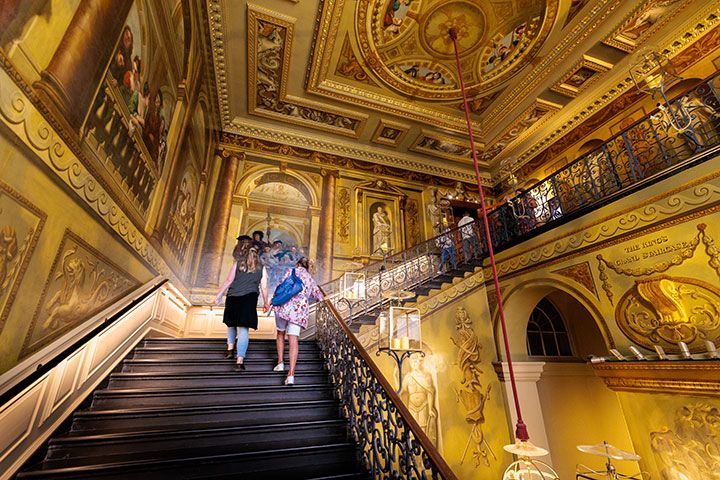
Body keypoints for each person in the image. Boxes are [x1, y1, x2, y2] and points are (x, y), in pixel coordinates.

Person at [215, 235, 270, 371]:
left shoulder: (238, 263)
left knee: (231, 323)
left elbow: (228, 281)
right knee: (243, 328)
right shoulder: (262, 267)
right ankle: (239, 361)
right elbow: (264, 286)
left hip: (233, 296)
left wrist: (219, 295)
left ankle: (229, 349)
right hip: (249, 298)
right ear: (257, 255)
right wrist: (266, 303)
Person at [272, 257, 324, 385]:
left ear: (298, 264)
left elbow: (281, 286)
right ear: (307, 266)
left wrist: (272, 300)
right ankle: (291, 375)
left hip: (284, 307)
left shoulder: (291, 271)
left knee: (280, 333)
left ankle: (280, 363)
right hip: (299, 311)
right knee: (293, 340)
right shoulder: (310, 279)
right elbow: (319, 296)